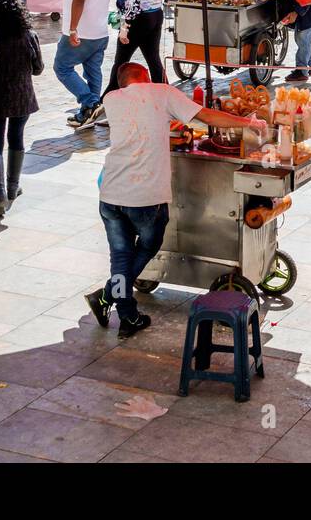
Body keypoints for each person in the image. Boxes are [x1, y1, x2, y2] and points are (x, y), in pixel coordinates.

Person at [84, 64, 263, 338]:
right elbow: (207, 117)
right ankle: (112, 299)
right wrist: (249, 122)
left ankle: (122, 309)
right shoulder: (161, 93)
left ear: (122, 83)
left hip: (110, 193)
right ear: (145, 76)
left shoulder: (111, 99)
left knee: (121, 257)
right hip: (144, 196)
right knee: (148, 245)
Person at [0, 0, 43, 217]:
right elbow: (38, 69)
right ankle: (13, 187)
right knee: (16, 138)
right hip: (21, 96)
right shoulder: (29, 35)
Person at [56, 0, 113, 129]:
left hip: (83, 31)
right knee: (93, 71)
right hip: (99, 30)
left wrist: (73, 28)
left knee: (61, 67)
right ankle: (87, 115)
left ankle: (90, 103)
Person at [102, 0, 166, 99]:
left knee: (120, 62)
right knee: (154, 60)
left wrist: (123, 27)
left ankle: (106, 99)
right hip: (156, 12)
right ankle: (164, 96)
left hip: (138, 17)